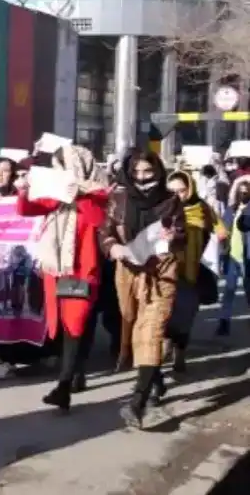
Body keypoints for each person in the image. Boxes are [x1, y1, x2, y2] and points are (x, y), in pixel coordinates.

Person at [15, 145, 108, 410]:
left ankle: (64, 386)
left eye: (62, 166)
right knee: (66, 328)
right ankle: (73, 375)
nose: (59, 173)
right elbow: (27, 209)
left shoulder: (98, 190)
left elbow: (97, 218)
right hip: (56, 269)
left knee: (75, 324)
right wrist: (23, 189)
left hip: (83, 270)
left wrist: (79, 195)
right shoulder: (56, 193)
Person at [100, 150, 184, 428]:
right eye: (136, 172)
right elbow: (106, 230)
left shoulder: (171, 202)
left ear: (158, 171)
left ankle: (136, 403)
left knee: (151, 330)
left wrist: (171, 239)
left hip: (160, 273)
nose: (141, 177)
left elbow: (181, 236)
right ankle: (155, 377)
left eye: (147, 171)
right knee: (133, 325)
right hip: (127, 271)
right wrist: (114, 248)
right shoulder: (119, 198)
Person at [165, 170, 225, 376]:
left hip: (191, 272)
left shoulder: (202, 208)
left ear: (190, 189)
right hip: (164, 272)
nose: (177, 196)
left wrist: (210, 244)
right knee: (164, 315)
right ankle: (165, 348)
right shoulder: (162, 210)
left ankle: (179, 351)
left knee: (185, 317)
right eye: (171, 191)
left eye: (181, 191)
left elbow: (221, 231)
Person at [218, 175, 250, 336]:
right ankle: (224, 322)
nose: (243, 195)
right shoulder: (231, 210)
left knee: (248, 289)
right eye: (241, 192)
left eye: (246, 192)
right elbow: (222, 229)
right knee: (229, 290)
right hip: (232, 255)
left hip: (247, 256)